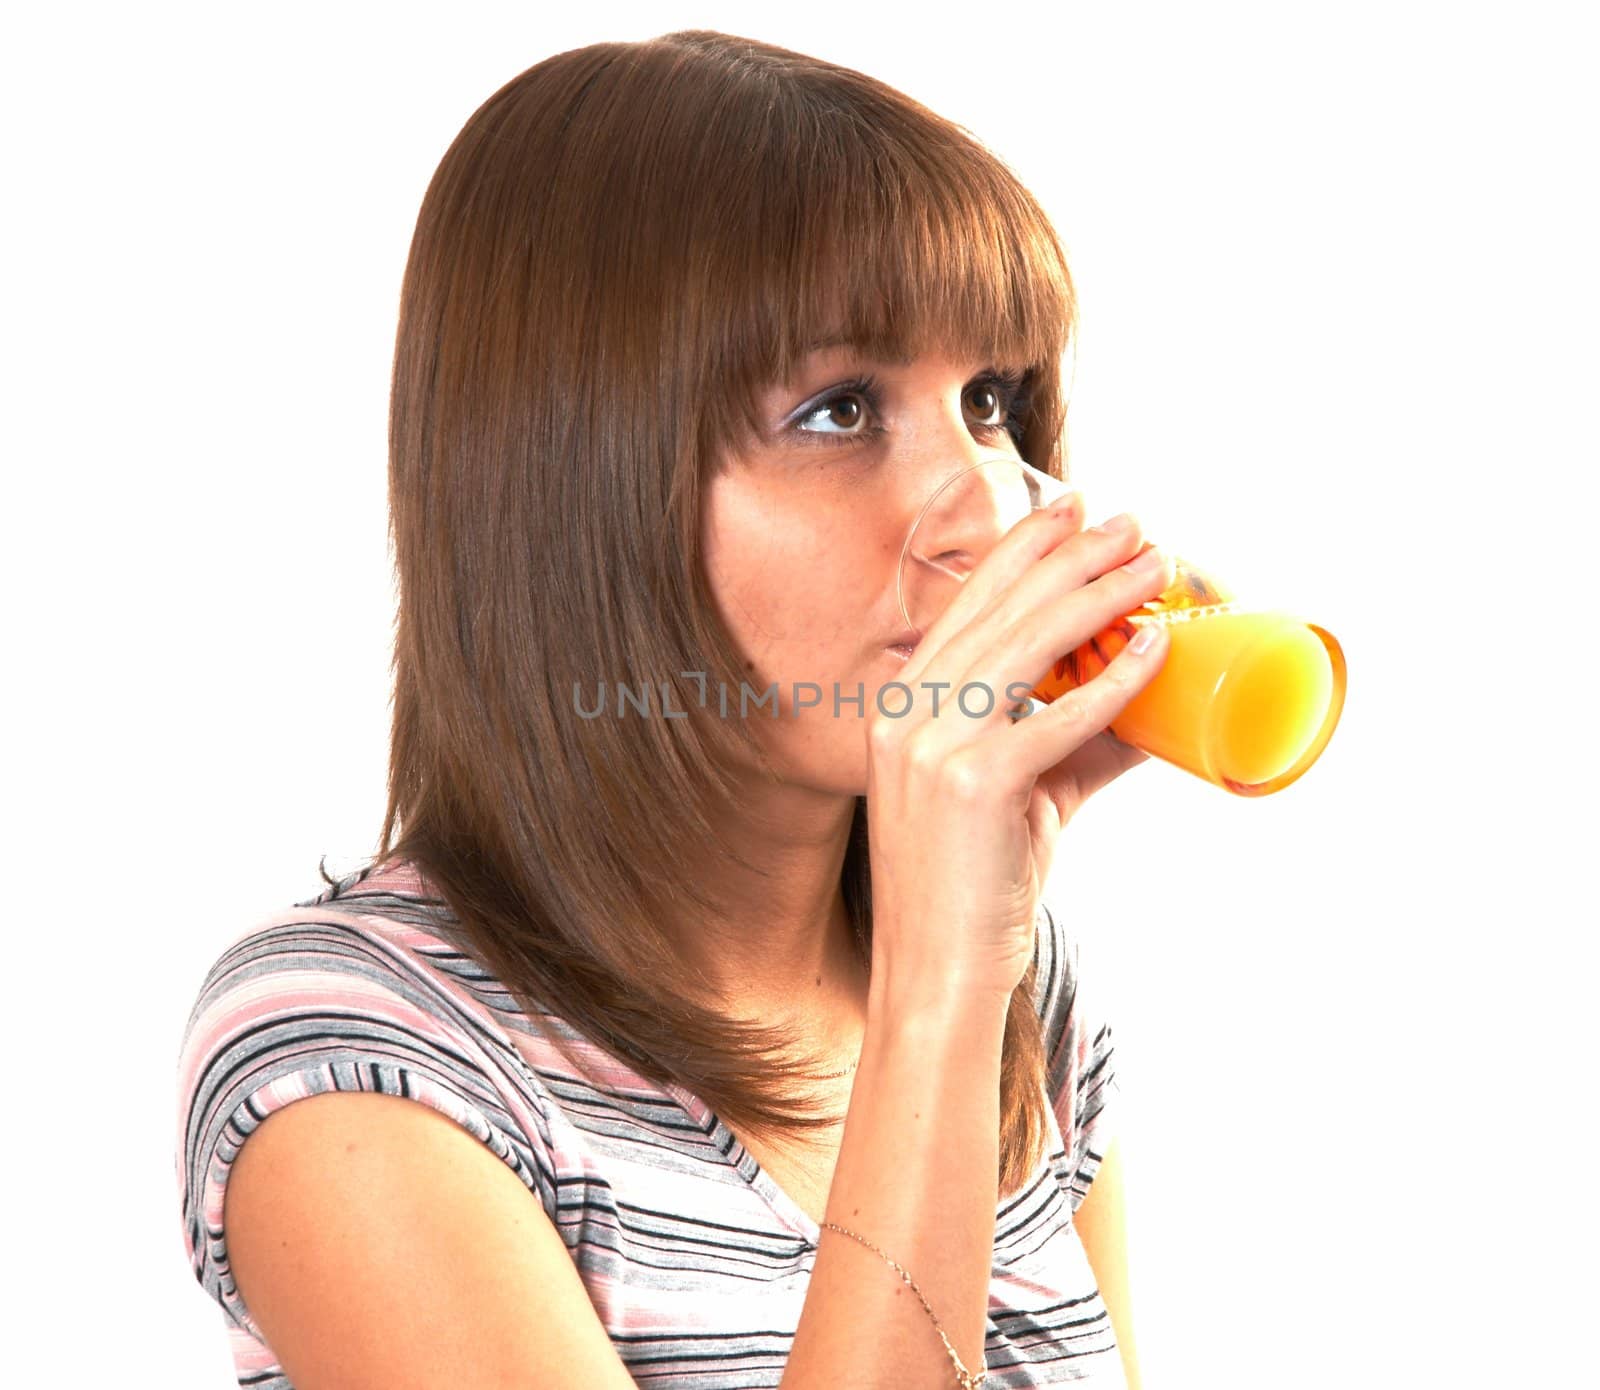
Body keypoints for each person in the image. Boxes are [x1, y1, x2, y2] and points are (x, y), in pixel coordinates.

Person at [174, 28, 1172, 1389]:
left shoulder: (1021, 991)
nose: (992, 509)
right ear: (578, 485)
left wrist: (965, 964)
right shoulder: (358, 1054)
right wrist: (939, 983)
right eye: (837, 408)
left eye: (990, 398)